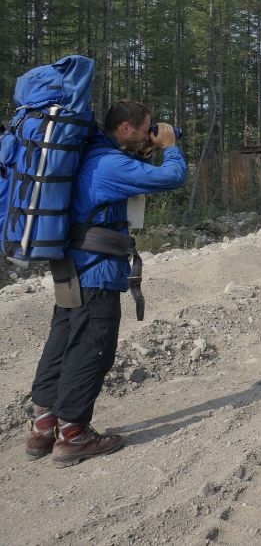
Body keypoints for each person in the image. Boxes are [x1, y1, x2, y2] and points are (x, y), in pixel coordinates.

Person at [26, 99, 187, 467]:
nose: (151, 133)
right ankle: (74, 434)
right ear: (127, 128)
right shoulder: (109, 164)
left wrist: (148, 147)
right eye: (147, 128)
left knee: (63, 340)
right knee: (92, 348)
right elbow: (171, 177)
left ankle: (43, 426)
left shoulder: (93, 155)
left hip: (71, 264)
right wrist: (170, 147)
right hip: (95, 271)